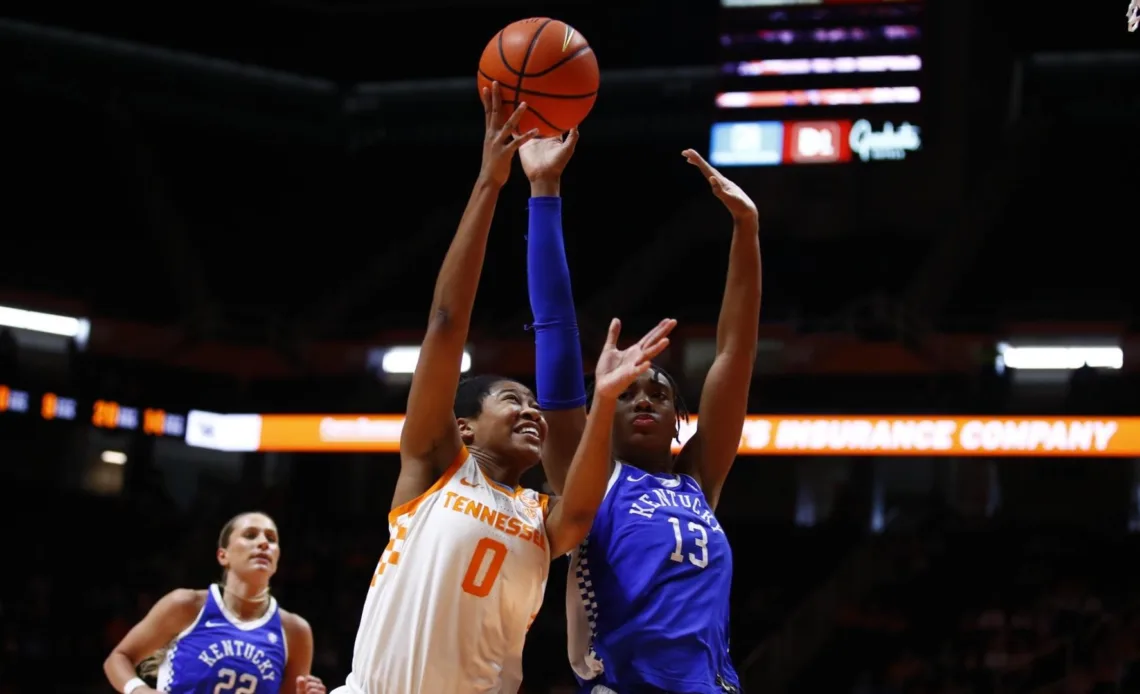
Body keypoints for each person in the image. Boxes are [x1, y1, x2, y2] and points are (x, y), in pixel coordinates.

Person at [335, 81, 678, 694]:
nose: (533, 411)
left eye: (534, 402)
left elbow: (583, 494)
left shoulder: (543, 520)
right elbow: (445, 325)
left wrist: (603, 399)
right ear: (464, 426)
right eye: (512, 399)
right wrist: (491, 183)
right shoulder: (434, 467)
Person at [523, 148, 762, 694]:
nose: (644, 399)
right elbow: (554, 332)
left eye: (657, 391)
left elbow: (734, 355)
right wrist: (544, 191)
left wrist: (746, 228)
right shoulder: (590, 482)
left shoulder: (699, 480)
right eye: (626, 394)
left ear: (679, 419)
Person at [104, 511, 326, 694]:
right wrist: (138, 690)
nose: (263, 543)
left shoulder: (295, 631)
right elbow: (118, 658)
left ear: (277, 559)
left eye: (271, 539)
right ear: (223, 555)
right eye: (250, 535)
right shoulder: (186, 605)